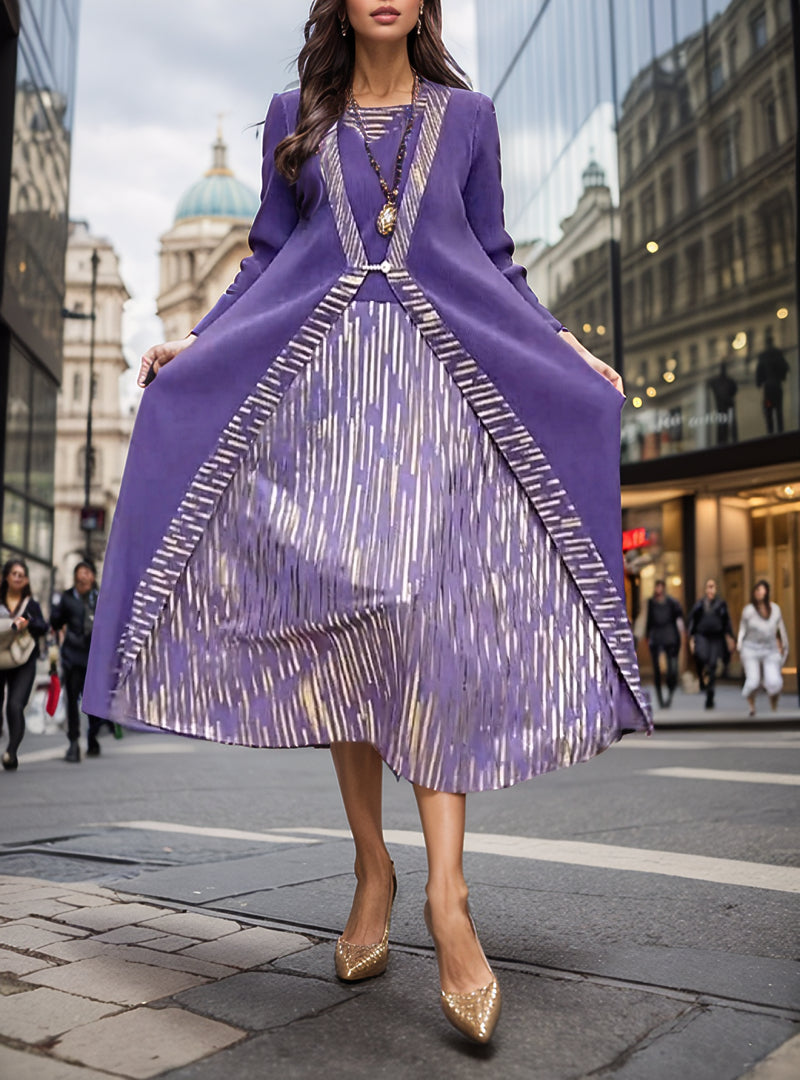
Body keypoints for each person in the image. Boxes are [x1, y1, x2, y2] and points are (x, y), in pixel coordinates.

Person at [84, 0, 651, 1044]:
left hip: (435, 401)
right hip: (323, 405)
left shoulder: (468, 119)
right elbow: (265, 257)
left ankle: (447, 899)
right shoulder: (291, 114)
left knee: (422, 623)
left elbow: (495, 259)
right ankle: (370, 864)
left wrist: (567, 350)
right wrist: (197, 349)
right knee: (353, 622)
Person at [51, 562, 104, 762]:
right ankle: (74, 743)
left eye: (87, 572)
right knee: (72, 702)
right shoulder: (67, 598)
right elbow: (55, 622)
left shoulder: (100, 597)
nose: (84, 576)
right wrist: (56, 616)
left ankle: (92, 736)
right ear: (75, 576)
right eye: (80, 572)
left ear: (92, 577)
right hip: (73, 657)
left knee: (94, 703)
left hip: (94, 658)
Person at [0, 559, 48, 770]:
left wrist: (28, 622)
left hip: (24, 660)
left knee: (15, 705)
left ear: (26, 579)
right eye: (14, 573)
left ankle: (11, 751)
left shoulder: (31, 604)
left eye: (21, 574)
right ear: (6, 577)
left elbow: (44, 627)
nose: (18, 577)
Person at [737, 580, 789, 715]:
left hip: (770, 649)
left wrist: (783, 645)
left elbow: (780, 630)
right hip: (751, 648)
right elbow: (742, 629)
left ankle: (774, 707)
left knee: (775, 682)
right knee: (753, 682)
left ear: (767, 591)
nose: (759, 593)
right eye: (757, 590)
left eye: (762, 590)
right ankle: (752, 708)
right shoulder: (748, 610)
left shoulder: (775, 609)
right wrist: (739, 645)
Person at [687, 579, 735, 709]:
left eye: (713, 587)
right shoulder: (700, 605)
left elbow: (727, 621)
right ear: (705, 589)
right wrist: (691, 638)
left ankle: (710, 693)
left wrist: (730, 637)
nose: (710, 590)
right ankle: (703, 681)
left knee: (713, 664)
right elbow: (692, 622)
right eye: (708, 587)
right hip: (702, 636)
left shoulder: (721, 604)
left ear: (716, 589)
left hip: (716, 637)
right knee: (702, 657)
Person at [645, 579, 684, 708]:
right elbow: (649, 621)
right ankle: (661, 699)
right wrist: (647, 636)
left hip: (670, 637)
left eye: (661, 587)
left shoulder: (672, 603)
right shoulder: (651, 602)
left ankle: (670, 692)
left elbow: (679, 617)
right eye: (657, 587)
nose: (659, 590)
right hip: (656, 637)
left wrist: (681, 632)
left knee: (672, 670)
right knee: (657, 670)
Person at [755, 330, 790, 435]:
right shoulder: (778, 354)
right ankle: (780, 432)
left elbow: (759, 372)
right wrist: (782, 377)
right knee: (778, 410)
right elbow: (785, 367)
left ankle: (771, 433)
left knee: (769, 410)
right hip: (777, 387)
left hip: (768, 389)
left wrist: (759, 382)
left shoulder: (763, 356)